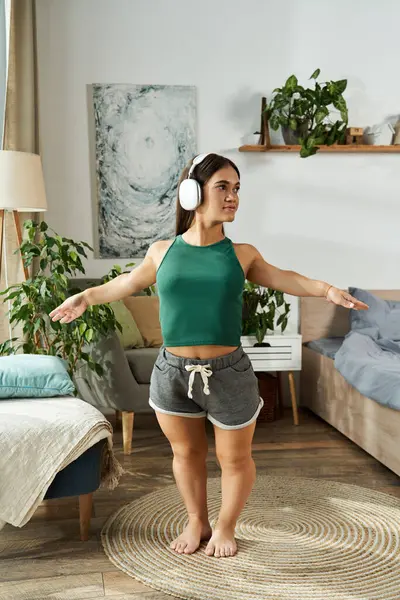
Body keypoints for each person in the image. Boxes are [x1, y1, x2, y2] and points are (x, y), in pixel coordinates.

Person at [49, 153, 368, 559]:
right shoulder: (162, 252)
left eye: (237, 189)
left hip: (229, 373)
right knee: (186, 453)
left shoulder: (242, 254)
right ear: (192, 192)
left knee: (235, 459)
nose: (233, 197)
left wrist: (326, 289)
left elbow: (287, 278)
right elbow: (125, 284)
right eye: (223, 187)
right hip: (172, 372)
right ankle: (196, 519)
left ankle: (226, 526)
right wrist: (84, 297)